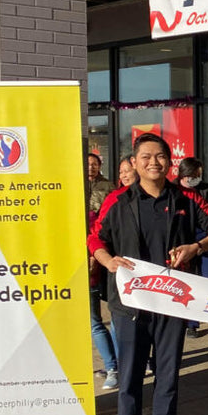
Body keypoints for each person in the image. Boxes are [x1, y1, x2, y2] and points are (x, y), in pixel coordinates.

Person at [88, 133, 208, 415]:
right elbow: (95, 237)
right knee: (131, 379)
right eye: (146, 157)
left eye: (161, 156)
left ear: (170, 161)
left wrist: (196, 247)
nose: (154, 162)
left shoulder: (186, 198)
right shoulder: (117, 200)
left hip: (172, 303)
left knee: (167, 376)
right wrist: (107, 260)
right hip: (129, 306)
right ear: (134, 163)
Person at [176, 157, 208, 338]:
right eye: (193, 175)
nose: (196, 178)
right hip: (183, 244)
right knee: (189, 284)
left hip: (204, 242)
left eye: (198, 175)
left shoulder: (204, 189)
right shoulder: (174, 192)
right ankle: (191, 324)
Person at [87, 152, 118, 390]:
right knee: (94, 321)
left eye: (95, 164)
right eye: (88, 164)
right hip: (83, 263)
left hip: (106, 258)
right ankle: (112, 366)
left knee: (117, 315)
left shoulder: (109, 188)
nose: (91, 168)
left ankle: (125, 362)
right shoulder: (69, 186)